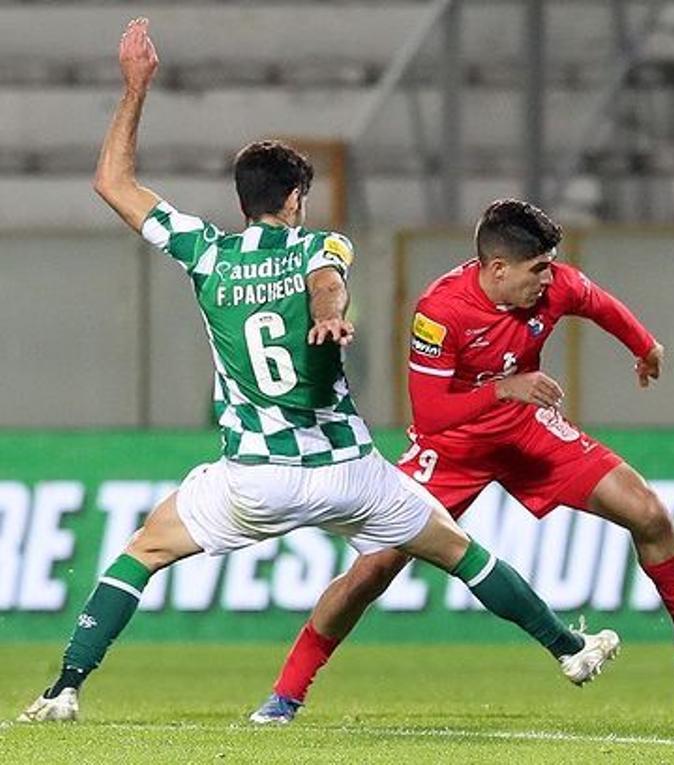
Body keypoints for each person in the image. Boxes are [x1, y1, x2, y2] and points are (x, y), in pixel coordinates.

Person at [17, 18, 617, 724]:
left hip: (253, 480)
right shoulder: (316, 245)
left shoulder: (206, 253)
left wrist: (135, 86)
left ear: (243, 200)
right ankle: (569, 647)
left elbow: (111, 181)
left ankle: (64, 688)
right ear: (295, 200)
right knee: (460, 551)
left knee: (142, 551)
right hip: (348, 474)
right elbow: (327, 278)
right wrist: (329, 312)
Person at [247, 198, 674, 723]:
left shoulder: (555, 285)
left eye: (550, 266)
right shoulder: (441, 311)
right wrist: (505, 389)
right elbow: (432, 417)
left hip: (527, 434)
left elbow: (597, 303)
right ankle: (288, 694)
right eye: (538, 269)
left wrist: (644, 347)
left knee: (648, 512)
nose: (550, 279)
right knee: (374, 570)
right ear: (497, 269)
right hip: (452, 449)